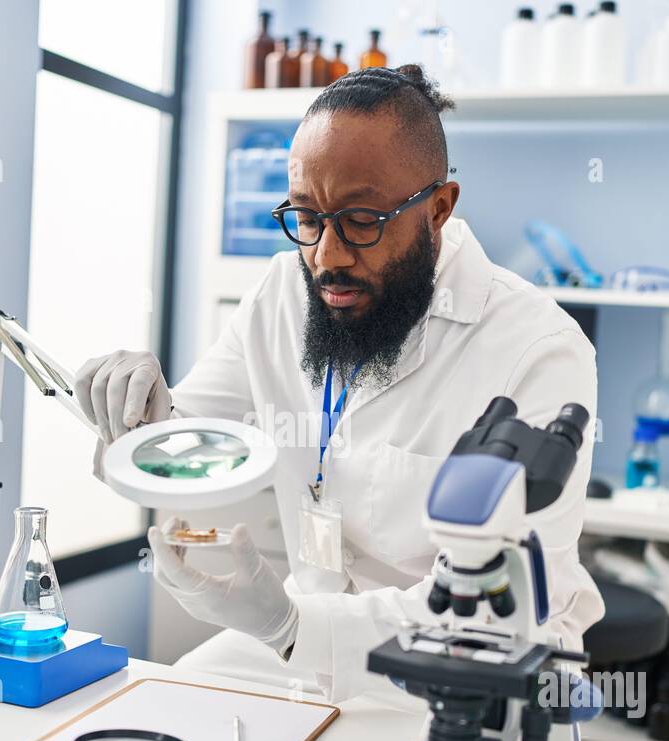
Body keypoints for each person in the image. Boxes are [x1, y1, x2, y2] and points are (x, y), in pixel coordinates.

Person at [75, 65, 603, 703]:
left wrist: (294, 625)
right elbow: (182, 437)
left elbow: (500, 605)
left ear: (438, 209)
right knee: (169, 714)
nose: (326, 255)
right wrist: (132, 413)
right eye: (305, 217)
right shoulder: (279, 295)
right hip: (301, 642)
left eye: (360, 221)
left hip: (474, 671)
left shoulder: (538, 349)